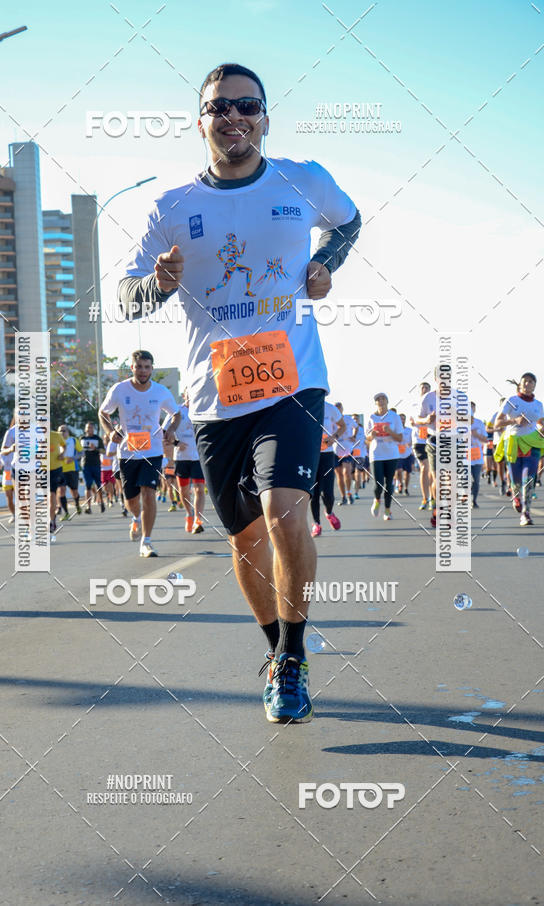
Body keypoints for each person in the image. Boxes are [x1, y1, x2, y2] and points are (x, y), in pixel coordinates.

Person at [117, 62, 361, 722]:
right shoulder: (169, 206)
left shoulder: (301, 179)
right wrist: (159, 285)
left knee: (286, 512)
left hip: (293, 378)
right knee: (246, 538)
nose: (233, 117)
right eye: (218, 107)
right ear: (201, 122)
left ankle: (293, 658)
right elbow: (126, 298)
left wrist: (324, 265)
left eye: (245, 105)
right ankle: (273, 646)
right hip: (214, 394)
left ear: (263, 117)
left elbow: (349, 222)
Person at [99, 349, 180, 557]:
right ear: (132, 368)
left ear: (152, 368)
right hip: (127, 453)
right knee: (132, 499)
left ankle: (147, 541)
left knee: (148, 492)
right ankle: (135, 518)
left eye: (147, 367)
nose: (143, 371)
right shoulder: (120, 389)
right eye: (139, 367)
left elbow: (176, 413)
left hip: (152, 451)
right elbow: (103, 412)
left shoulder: (160, 391)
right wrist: (110, 432)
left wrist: (170, 430)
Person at [494, 373, 544, 526]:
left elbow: (541, 422)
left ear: (534, 385)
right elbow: (498, 423)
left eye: (531, 381)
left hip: (532, 443)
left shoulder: (538, 404)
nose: (528, 384)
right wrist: (514, 420)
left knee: (529, 478)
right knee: (516, 480)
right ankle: (516, 496)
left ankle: (526, 513)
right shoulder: (512, 401)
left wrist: (542, 429)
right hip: (513, 442)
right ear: (520, 385)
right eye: (525, 381)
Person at [169, 388, 206, 533]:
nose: (191, 396)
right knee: (184, 492)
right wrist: (176, 443)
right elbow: (165, 431)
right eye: (188, 394)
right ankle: (189, 514)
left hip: (198, 457)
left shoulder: (202, 409)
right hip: (181, 458)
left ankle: (198, 519)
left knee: (199, 489)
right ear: (184, 395)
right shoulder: (177, 411)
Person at [365, 393, 403, 521]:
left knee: (389, 484)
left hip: (391, 454)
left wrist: (389, 431)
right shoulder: (371, 417)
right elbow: (367, 439)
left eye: (383, 399)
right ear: (375, 403)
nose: (380, 401)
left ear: (387, 401)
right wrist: (372, 435)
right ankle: (377, 500)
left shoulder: (395, 417)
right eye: (377, 399)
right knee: (378, 483)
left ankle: (387, 510)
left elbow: (400, 438)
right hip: (376, 454)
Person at [310, 400, 345, 536]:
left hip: (327, 455)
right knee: (313, 493)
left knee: (328, 494)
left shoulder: (330, 408)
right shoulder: (305, 405)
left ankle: (329, 512)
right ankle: (316, 524)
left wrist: (334, 437)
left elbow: (342, 426)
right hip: (310, 455)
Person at [409, 381, 431, 509]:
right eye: (423, 387)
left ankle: (432, 497)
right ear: (419, 390)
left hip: (432, 439)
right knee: (424, 467)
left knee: (432, 471)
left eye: (427, 388)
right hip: (419, 440)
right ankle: (425, 498)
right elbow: (412, 421)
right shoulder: (414, 404)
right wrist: (424, 421)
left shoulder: (434, 403)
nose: (425, 389)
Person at [333, 404, 358, 505]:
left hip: (347, 448)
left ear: (342, 410)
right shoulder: (331, 420)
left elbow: (356, 427)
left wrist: (354, 436)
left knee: (346, 473)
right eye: (336, 410)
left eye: (340, 409)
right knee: (339, 475)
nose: (338, 411)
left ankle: (349, 493)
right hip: (335, 450)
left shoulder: (348, 419)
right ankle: (343, 496)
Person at [80, 422, 105, 514]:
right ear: (85, 429)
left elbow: (103, 451)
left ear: (93, 429)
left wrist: (95, 449)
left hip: (96, 464)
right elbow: (78, 450)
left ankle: (101, 502)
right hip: (85, 464)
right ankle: (88, 507)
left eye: (90, 427)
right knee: (88, 485)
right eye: (87, 427)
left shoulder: (97, 439)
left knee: (98, 485)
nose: (89, 429)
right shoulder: (82, 439)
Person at [57, 425, 82, 519]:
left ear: (68, 432)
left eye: (64, 431)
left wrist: (73, 458)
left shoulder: (73, 440)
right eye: (60, 431)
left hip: (72, 469)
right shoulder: (56, 442)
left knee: (74, 491)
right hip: (60, 470)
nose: (62, 433)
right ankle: (66, 513)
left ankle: (77, 504)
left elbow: (81, 452)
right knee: (61, 491)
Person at [0, 420, 15, 524]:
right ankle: (13, 514)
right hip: (7, 475)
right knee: (9, 497)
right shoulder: (2, 453)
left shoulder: (17, 451)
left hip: (17, 474)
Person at [470, 403, 489, 508]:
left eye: (472, 408)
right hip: (463, 456)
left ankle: (474, 500)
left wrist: (476, 435)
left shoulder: (479, 423)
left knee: (476, 480)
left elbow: (486, 440)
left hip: (477, 456)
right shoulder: (459, 423)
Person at [49, 428, 65, 534]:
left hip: (55, 469)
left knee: (52, 495)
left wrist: (62, 454)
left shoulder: (56, 435)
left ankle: (52, 520)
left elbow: (64, 446)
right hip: (40, 470)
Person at [394, 414, 413, 495]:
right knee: (399, 471)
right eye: (400, 419)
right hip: (398, 454)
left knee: (407, 472)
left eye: (403, 419)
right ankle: (400, 484)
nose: (402, 420)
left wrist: (409, 444)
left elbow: (412, 441)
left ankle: (406, 488)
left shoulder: (409, 430)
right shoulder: (395, 430)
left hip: (408, 453)